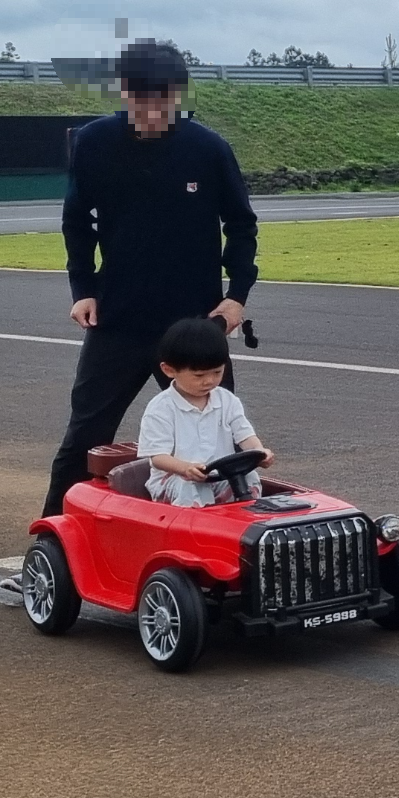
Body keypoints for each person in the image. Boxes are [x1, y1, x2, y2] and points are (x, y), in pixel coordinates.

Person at [42, 39, 259, 516]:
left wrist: (237, 295)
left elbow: (241, 224)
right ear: (124, 92)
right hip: (117, 318)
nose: (156, 110)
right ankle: (50, 550)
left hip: (194, 325)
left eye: (166, 99)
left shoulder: (207, 148)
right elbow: (77, 221)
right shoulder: (94, 143)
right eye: (144, 100)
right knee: (85, 439)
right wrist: (83, 289)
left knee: (217, 441)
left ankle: (228, 551)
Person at [136, 316, 272, 505]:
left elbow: (245, 435)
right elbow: (158, 457)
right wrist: (185, 468)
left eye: (217, 372)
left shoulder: (227, 400)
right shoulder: (161, 408)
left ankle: (247, 521)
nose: (209, 381)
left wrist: (259, 451)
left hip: (219, 475)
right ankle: (199, 530)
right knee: (192, 486)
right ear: (169, 370)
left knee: (249, 477)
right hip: (175, 479)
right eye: (199, 375)